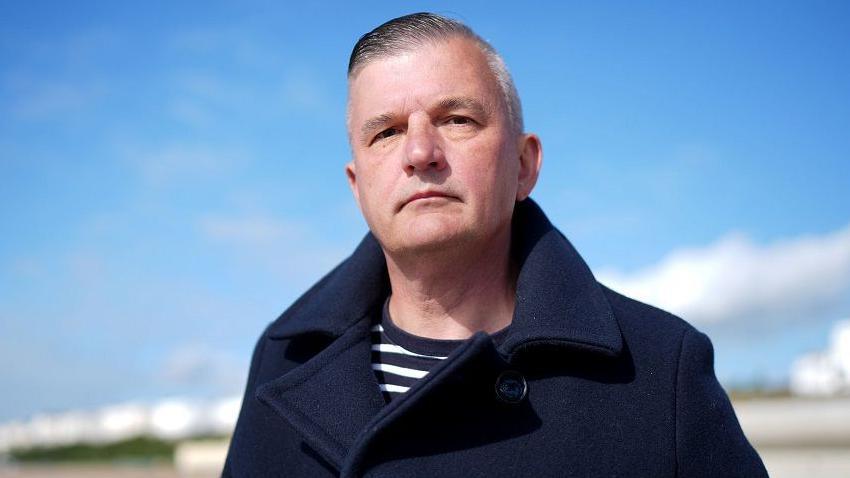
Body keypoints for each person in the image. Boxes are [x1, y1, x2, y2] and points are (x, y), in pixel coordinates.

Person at [223, 13, 767, 477]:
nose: (419, 152)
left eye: (457, 120)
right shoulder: (283, 359)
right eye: (384, 132)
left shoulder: (658, 369)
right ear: (356, 185)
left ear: (524, 165)